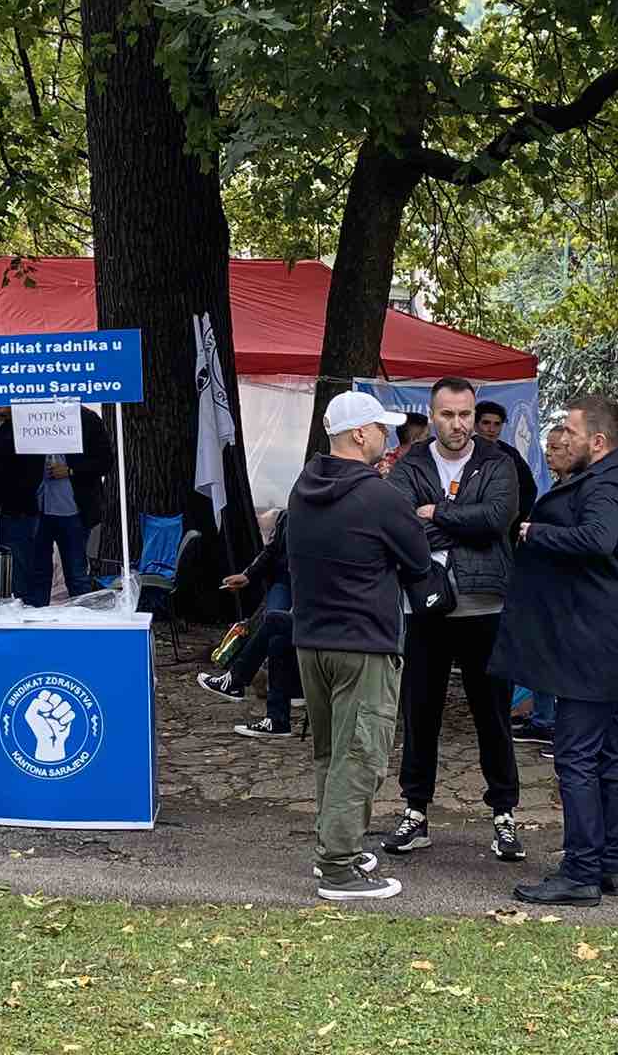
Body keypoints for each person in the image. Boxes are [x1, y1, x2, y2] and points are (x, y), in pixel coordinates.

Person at [492, 395, 618, 907]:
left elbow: (598, 539)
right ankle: (609, 865)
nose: (560, 437)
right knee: (608, 756)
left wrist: (537, 532)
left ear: (598, 442)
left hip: (592, 646)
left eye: (569, 430)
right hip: (610, 640)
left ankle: (581, 870)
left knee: (578, 757)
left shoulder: (607, 484)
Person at [287, 390, 432, 901]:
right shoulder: (381, 496)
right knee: (362, 753)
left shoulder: (303, 488)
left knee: (331, 751)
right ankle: (339, 866)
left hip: (311, 640)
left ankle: (334, 843)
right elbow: (418, 560)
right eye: (380, 428)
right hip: (365, 642)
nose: (387, 438)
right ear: (358, 434)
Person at [382, 376, 525, 864]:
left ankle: (504, 815)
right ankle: (415, 812)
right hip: (425, 608)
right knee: (420, 714)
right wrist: (458, 519)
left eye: (465, 414)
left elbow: (496, 521)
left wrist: (437, 512)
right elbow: (400, 523)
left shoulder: (498, 462)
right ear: (432, 414)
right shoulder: (411, 463)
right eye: (448, 414)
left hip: (485, 607)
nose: (459, 424)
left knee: (493, 717)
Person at [197, 509, 302, 737]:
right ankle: (275, 715)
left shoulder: (337, 507)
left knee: (277, 625)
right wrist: (248, 575)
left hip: (312, 585)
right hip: (286, 581)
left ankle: (242, 683)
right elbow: (272, 550)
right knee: (275, 628)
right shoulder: (295, 505)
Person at [512, 423, 572, 747]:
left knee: (551, 655)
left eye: (557, 448)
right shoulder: (556, 486)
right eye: (547, 446)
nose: (549, 453)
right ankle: (543, 718)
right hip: (543, 585)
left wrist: (535, 533)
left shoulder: (576, 491)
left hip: (559, 588)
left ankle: (551, 723)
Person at [25, 406, 113, 607]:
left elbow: (105, 461)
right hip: (37, 509)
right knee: (38, 574)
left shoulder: (87, 419)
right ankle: (38, 628)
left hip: (74, 510)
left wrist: (72, 470)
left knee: (76, 574)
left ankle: (83, 625)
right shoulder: (31, 416)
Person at [0, 406, 46, 600]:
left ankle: (23, 617)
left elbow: (31, 476)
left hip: (17, 512)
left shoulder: (28, 425)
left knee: (19, 574)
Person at [474, 400, 539, 538]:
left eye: (497, 424)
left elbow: (529, 489)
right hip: (468, 525)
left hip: (503, 531)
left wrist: (513, 520)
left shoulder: (511, 454)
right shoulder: (462, 451)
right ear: (475, 425)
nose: (491, 429)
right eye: (486, 423)